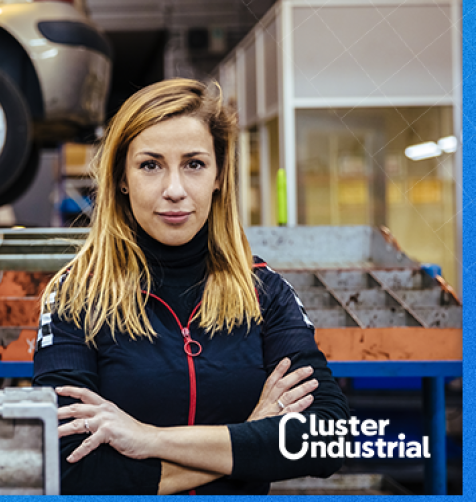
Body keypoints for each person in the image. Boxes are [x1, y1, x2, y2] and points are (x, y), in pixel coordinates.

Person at [32, 78, 349, 495]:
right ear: (121, 179)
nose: (175, 190)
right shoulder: (76, 296)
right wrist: (252, 437)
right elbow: (71, 471)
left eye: (194, 164)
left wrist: (148, 439)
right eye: (150, 165)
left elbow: (327, 439)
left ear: (219, 175)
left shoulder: (264, 292)